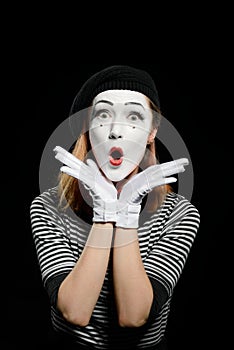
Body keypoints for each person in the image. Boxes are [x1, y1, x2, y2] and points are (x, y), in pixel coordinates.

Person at [30, 65, 200, 349]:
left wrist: (127, 214)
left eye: (134, 116)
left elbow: (134, 317)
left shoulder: (179, 214)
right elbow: (74, 312)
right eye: (103, 114)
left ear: (152, 131)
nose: (115, 131)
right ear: (87, 129)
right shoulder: (48, 207)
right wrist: (105, 212)